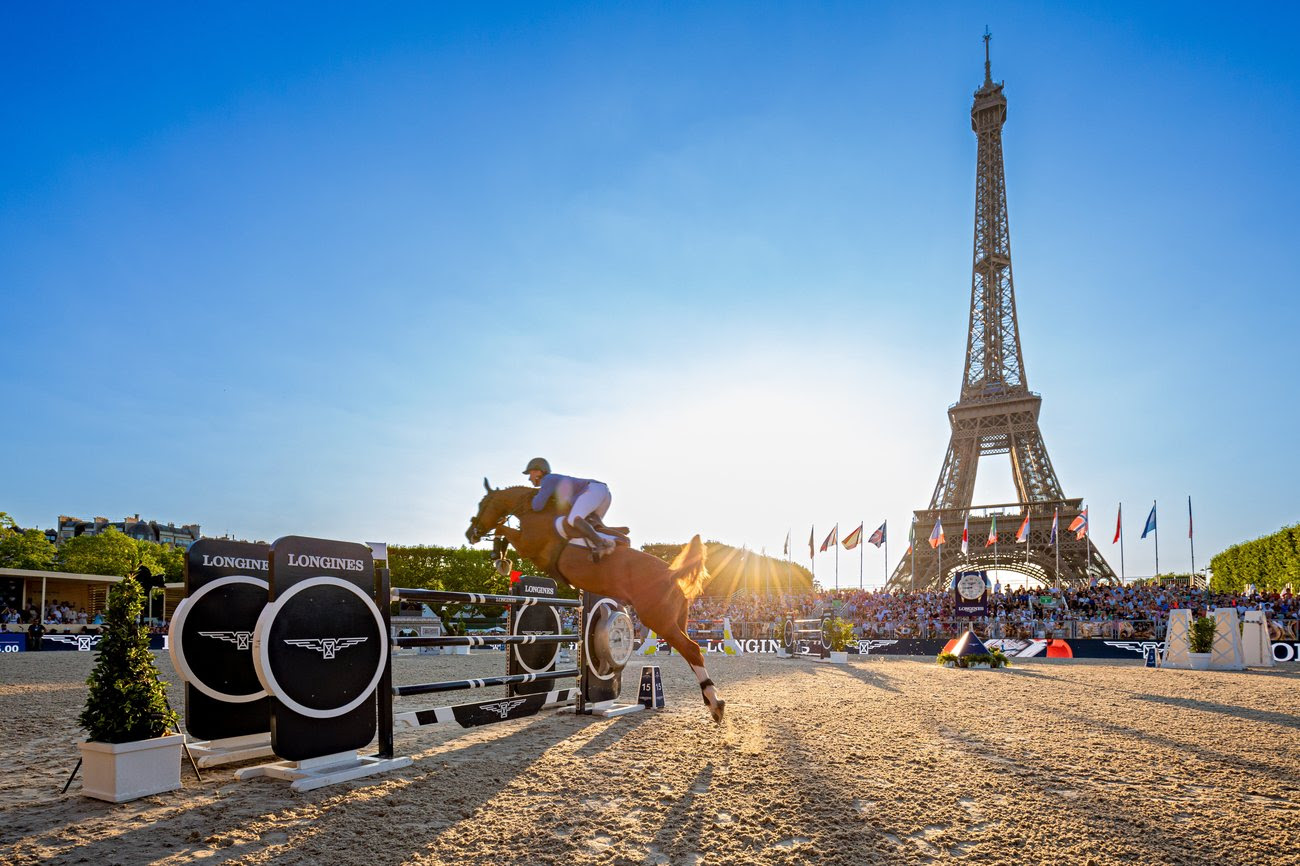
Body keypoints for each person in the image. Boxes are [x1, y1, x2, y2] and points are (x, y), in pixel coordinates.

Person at [523, 457, 616, 559]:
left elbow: (537, 506)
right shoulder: (553, 480)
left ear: (538, 471)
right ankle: (613, 540)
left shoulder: (547, 479)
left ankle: (601, 544)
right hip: (603, 493)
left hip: (593, 490)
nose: (529, 478)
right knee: (590, 526)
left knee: (573, 519)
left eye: (530, 473)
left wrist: (533, 497)